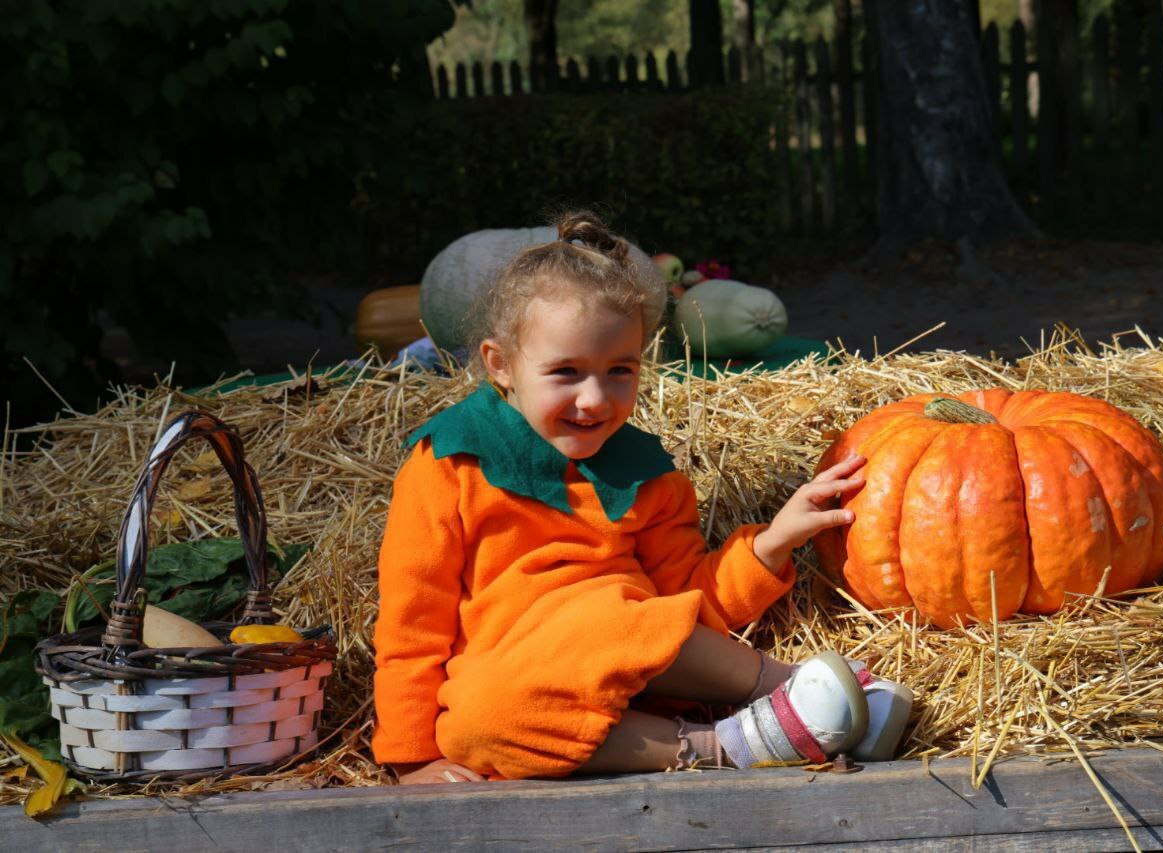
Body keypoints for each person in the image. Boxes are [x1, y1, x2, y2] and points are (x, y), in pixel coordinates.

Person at [372, 211, 910, 785]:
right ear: (500, 365)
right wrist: (413, 758)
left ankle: (801, 687)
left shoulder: (646, 476)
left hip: (632, 655)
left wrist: (773, 543)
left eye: (619, 371)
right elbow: (412, 624)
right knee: (474, 725)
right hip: (529, 679)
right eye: (566, 372)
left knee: (616, 618)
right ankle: (732, 743)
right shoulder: (449, 463)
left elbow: (690, 601)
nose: (594, 398)